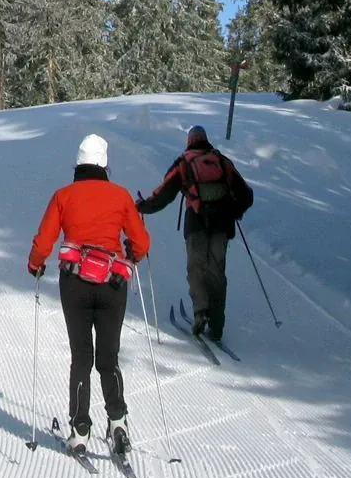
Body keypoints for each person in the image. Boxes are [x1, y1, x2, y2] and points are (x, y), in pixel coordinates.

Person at [27, 134, 151, 456]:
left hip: (75, 284)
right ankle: (119, 421)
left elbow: (44, 241)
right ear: (104, 164)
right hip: (112, 285)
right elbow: (141, 244)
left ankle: (80, 430)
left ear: (78, 163)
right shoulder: (121, 196)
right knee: (108, 357)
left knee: (81, 356)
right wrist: (132, 254)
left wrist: (35, 264)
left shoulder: (63, 196)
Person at [135, 125, 254, 343]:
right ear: (205, 140)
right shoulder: (222, 162)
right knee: (217, 271)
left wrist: (143, 206)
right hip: (222, 225)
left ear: (189, 141)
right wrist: (235, 211)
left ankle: (201, 313)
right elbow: (246, 194)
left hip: (196, 223)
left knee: (196, 267)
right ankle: (217, 324)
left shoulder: (184, 162)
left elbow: (164, 194)